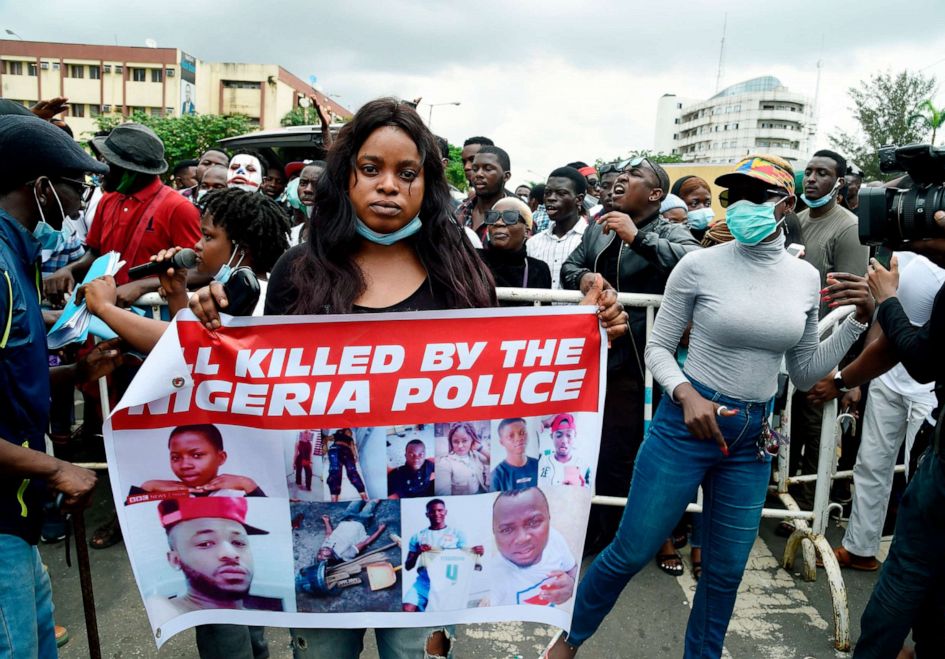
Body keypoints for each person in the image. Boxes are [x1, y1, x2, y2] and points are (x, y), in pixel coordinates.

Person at [186, 97, 624, 658]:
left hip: (427, 528)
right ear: (346, 178)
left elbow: (500, 382)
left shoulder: (460, 272)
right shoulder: (301, 271)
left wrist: (592, 328)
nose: (388, 186)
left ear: (427, 185)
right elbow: (262, 385)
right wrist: (210, 321)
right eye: (371, 169)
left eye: (406, 173)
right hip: (322, 503)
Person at [548, 153, 875, 658]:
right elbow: (658, 346)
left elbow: (806, 370)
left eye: (755, 196)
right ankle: (565, 645)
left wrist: (857, 320)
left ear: (785, 204)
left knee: (724, 574)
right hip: (684, 426)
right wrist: (686, 395)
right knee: (629, 552)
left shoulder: (803, 278)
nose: (740, 205)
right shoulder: (698, 265)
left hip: (752, 438)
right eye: (732, 196)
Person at [799, 205, 945, 656]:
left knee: (915, 562)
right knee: (936, 558)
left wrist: (887, 303)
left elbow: (927, 361)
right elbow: (930, 349)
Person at [0, 114, 121, 659]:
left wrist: (75, 375)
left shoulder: (15, 253)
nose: (81, 202)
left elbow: (10, 380)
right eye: (76, 184)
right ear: (41, 186)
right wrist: (53, 468)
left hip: (16, 517)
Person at [561, 155, 699, 551]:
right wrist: (584, 277)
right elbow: (572, 267)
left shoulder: (670, 228)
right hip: (598, 350)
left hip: (644, 357)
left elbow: (693, 263)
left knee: (635, 445)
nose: (621, 179)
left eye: (633, 175)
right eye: (619, 175)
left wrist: (638, 237)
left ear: (656, 194)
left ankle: (642, 530)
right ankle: (598, 527)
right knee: (598, 443)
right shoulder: (599, 229)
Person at [79, 187, 291, 354]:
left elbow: (181, 347)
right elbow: (189, 341)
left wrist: (104, 307)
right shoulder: (227, 289)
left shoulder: (255, 296)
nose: (197, 245)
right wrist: (175, 292)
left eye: (208, 237)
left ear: (241, 248)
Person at [786, 149, 869, 524]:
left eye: (823, 173)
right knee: (793, 426)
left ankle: (808, 510)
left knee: (817, 429)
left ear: (839, 182)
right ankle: (789, 495)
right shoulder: (797, 219)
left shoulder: (848, 227)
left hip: (826, 345)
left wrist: (845, 369)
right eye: (809, 172)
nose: (813, 179)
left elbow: (852, 303)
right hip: (791, 338)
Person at [56, 123, 202, 303]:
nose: (100, 170)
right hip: (105, 315)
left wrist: (142, 286)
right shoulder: (107, 200)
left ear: (130, 171)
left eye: (108, 163)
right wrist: (69, 270)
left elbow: (200, 271)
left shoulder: (179, 208)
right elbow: (95, 253)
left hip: (152, 320)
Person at [146, 497, 277, 619]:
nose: (231, 554)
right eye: (205, 543)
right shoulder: (166, 611)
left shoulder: (265, 620)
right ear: (175, 560)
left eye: (239, 543)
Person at [126, 424, 266, 501]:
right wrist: (147, 488)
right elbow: (132, 522)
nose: (185, 465)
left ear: (221, 458)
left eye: (197, 455)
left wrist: (248, 485)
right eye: (176, 457)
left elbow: (270, 523)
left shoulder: (239, 493)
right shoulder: (159, 494)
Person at [489, 487, 577, 606]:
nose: (522, 538)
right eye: (507, 530)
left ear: (549, 518)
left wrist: (572, 583)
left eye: (533, 523)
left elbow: (571, 568)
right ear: (494, 533)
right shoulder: (493, 577)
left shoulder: (554, 539)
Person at [402, 499, 484, 612]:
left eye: (440, 510)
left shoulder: (457, 534)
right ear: (427, 514)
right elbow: (408, 566)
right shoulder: (418, 537)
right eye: (432, 511)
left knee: (439, 615)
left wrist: (477, 552)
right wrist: (417, 552)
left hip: (447, 586)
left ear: (445, 512)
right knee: (407, 608)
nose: (436, 514)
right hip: (424, 583)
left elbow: (465, 558)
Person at [527, 167, 589, 289]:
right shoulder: (533, 243)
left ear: (579, 199)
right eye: (548, 193)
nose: (551, 198)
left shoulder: (591, 240)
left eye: (561, 193)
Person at [477, 197, 551, 297]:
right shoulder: (473, 261)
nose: (498, 223)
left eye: (510, 217)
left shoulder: (539, 270)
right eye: (492, 217)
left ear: (527, 231)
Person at [456, 145, 514, 241]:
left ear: (506, 176)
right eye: (475, 169)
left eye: (488, 169)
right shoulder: (460, 210)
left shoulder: (515, 218)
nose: (478, 174)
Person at [314, 502, 386, 565]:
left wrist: (327, 521)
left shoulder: (325, 547)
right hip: (360, 522)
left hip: (346, 518)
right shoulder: (346, 554)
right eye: (322, 555)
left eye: (319, 553)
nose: (321, 551)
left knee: (357, 499)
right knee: (372, 502)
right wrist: (380, 530)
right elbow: (366, 542)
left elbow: (329, 534)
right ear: (330, 559)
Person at [435, 423, 490, 495]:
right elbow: (444, 495)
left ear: (472, 440)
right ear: (451, 443)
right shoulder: (444, 463)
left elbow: (493, 460)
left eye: (464, 440)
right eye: (455, 441)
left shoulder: (476, 455)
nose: (460, 446)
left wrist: (480, 448)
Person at [538, 413, 590, 487]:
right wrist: (543, 424)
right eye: (559, 435)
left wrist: (581, 487)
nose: (564, 441)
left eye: (569, 435)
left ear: (574, 436)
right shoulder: (541, 459)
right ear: (551, 436)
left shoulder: (583, 465)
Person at [491, 418, 539, 492]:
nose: (518, 438)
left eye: (522, 433)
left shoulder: (539, 465)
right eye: (511, 436)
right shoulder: (496, 476)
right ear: (502, 442)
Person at [322, 428, 369, 502]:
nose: (350, 432)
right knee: (335, 471)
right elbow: (326, 438)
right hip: (336, 448)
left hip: (347, 452)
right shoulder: (338, 434)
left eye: (351, 432)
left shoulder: (350, 439)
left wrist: (355, 456)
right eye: (348, 431)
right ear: (344, 431)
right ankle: (334, 499)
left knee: (352, 471)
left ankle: (364, 496)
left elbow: (353, 447)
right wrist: (325, 447)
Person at [671, 175, 714, 241]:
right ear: (678, 203)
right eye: (694, 203)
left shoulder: (715, 237)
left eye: (707, 204)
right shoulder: (669, 238)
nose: (702, 208)